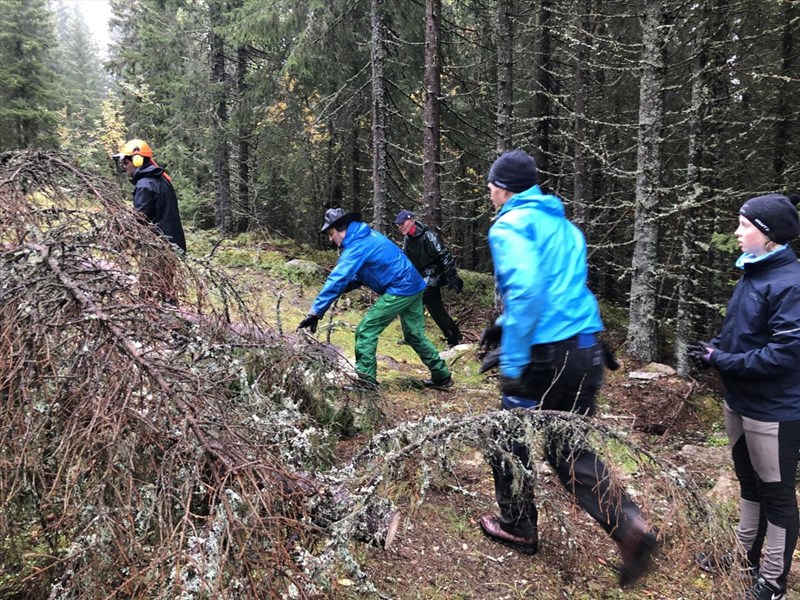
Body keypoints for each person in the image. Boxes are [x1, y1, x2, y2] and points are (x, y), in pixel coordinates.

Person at [477, 149, 659, 587]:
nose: (489, 191)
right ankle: (630, 527)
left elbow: (529, 291)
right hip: (586, 348)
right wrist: (502, 326)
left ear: (502, 188)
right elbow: (564, 288)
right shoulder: (565, 226)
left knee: (508, 435)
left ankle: (518, 526)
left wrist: (516, 363)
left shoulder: (510, 225)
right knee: (569, 449)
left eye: (491, 184)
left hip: (547, 354)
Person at [689, 194, 800, 600]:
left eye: (745, 226)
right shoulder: (753, 273)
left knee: (777, 494)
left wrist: (725, 360)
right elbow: (742, 332)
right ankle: (742, 555)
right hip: (739, 400)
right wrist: (712, 351)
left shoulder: (791, 283)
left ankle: (773, 582)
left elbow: (786, 354)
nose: (737, 232)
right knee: (748, 484)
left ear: (768, 236)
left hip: (775, 409)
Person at [297, 208, 453, 389]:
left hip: (401, 288)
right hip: (415, 285)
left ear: (342, 229)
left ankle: (366, 381)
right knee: (414, 335)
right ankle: (442, 376)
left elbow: (337, 278)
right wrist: (343, 288)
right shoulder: (365, 236)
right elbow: (365, 272)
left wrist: (316, 311)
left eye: (331, 234)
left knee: (366, 330)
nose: (331, 239)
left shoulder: (357, 245)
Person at [393, 209, 463, 347]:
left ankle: (412, 336)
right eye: (398, 225)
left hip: (432, 277)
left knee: (410, 303)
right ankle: (454, 337)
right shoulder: (408, 239)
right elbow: (406, 259)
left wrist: (452, 276)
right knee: (436, 309)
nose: (400, 227)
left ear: (411, 221)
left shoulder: (429, 236)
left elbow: (444, 255)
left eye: (403, 223)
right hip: (420, 278)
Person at [112, 139, 186, 252]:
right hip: (173, 242)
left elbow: (140, 218)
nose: (125, 167)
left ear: (137, 161)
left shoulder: (144, 185)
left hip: (160, 246)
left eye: (126, 163)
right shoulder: (160, 180)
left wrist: (119, 231)